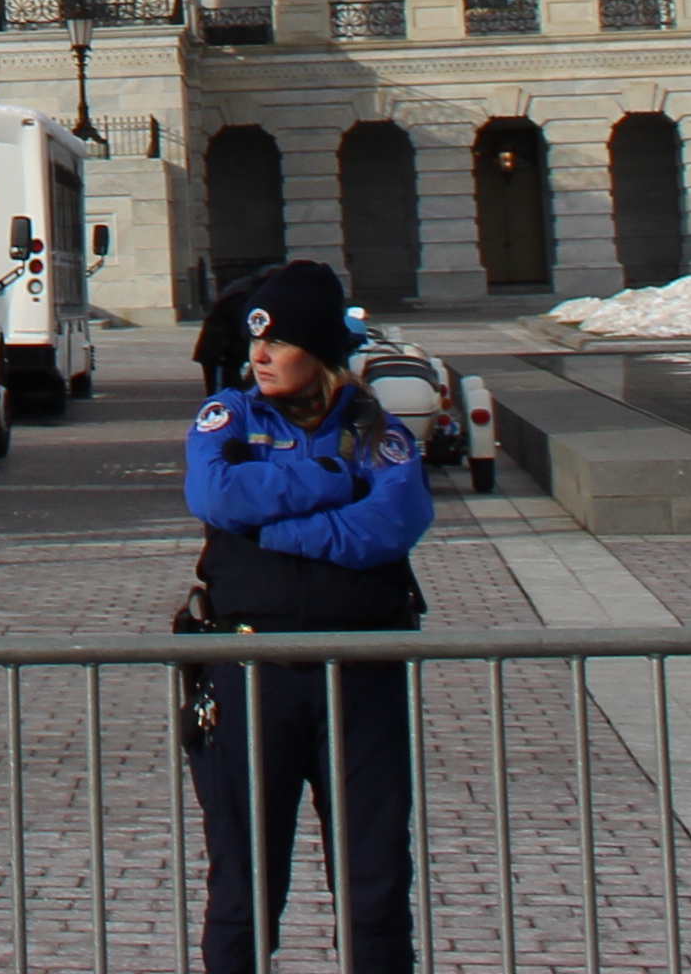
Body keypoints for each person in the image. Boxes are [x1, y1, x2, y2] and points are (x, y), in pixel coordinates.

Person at [181, 257, 427, 974]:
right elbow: (219, 499)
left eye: (276, 342)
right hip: (251, 675)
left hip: (360, 676)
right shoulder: (225, 416)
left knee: (375, 882)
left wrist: (275, 531)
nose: (257, 355)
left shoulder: (375, 429)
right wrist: (325, 478)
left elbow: (391, 525)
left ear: (317, 351)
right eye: (254, 339)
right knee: (243, 886)